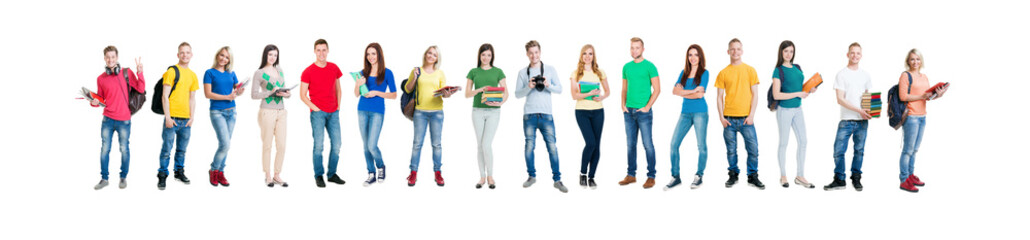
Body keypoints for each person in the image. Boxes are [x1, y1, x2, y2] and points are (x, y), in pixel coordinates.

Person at [515, 40, 567, 193]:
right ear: (527, 54)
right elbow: (517, 94)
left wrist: (548, 84)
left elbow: (560, 89)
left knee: (552, 148)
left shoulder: (550, 70)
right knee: (529, 147)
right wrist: (528, 87)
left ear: (540, 52)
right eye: (531, 53)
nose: (534, 55)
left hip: (547, 115)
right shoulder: (522, 73)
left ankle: (557, 180)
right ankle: (531, 177)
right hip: (529, 115)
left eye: (536, 52)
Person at [91, 45, 146, 190]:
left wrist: (140, 73)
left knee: (124, 149)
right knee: (104, 149)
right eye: (108, 57)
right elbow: (101, 99)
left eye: (113, 57)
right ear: (104, 58)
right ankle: (104, 178)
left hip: (124, 120)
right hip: (107, 120)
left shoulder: (126, 73)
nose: (110, 60)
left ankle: (123, 177)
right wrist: (94, 103)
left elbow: (140, 89)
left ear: (117, 58)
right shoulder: (101, 79)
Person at [715, 38, 765, 190]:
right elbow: (719, 96)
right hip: (729, 119)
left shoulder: (750, 70)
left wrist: (751, 116)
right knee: (731, 150)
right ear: (728, 51)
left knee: (753, 149)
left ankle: (752, 176)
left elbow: (755, 94)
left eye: (738, 49)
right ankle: (733, 174)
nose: (735, 51)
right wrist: (721, 118)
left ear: (742, 51)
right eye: (732, 49)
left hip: (746, 119)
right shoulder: (723, 73)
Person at [897, 48, 947, 193]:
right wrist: (922, 96)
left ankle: (911, 175)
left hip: (922, 116)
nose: (915, 62)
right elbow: (903, 97)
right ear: (908, 61)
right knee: (907, 150)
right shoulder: (905, 76)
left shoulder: (924, 77)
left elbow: (927, 97)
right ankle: (904, 179)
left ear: (921, 61)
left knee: (915, 149)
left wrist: (938, 95)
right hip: (911, 117)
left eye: (918, 59)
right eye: (912, 59)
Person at [823, 42, 871, 191]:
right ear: (847, 55)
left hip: (862, 121)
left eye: (858, 53)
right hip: (846, 120)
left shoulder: (865, 75)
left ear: (861, 56)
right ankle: (839, 179)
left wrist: (871, 111)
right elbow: (840, 99)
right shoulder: (841, 74)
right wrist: (859, 110)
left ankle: (856, 178)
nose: (855, 55)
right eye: (852, 53)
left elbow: (867, 97)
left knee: (859, 151)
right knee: (838, 151)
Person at [404, 45, 453, 187]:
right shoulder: (416, 71)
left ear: (437, 58)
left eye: (434, 55)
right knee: (417, 144)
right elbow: (408, 89)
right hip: (420, 112)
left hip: (437, 112)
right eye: (430, 53)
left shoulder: (440, 73)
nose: (431, 56)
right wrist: (414, 77)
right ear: (426, 54)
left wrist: (447, 94)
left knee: (436, 144)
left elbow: (444, 93)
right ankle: (413, 173)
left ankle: (437, 173)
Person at [770, 40, 816, 189]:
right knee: (784, 143)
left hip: (798, 110)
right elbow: (777, 95)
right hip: (785, 111)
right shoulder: (778, 70)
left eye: (791, 51)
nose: (789, 54)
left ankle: (800, 175)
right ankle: (783, 175)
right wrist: (798, 93)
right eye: (786, 51)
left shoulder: (797, 67)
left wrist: (808, 90)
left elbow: (798, 87)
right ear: (781, 52)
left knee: (803, 141)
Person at [300, 39, 345, 188]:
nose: (321, 53)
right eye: (318, 50)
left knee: (337, 144)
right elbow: (302, 95)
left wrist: (338, 106)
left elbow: (339, 89)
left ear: (328, 51)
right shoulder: (308, 71)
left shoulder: (334, 68)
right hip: (318, 113)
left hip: (334, 112)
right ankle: (318, 175)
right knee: (318, 145)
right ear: (314, 51)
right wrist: (315, 108)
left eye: (324, 50)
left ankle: (331, 174)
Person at [618, 37, 661, 189]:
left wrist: (648, 106)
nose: (634, 50)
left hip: (643, 112)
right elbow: (624, 88)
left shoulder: (650, 66)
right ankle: (631, 175)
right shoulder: (626, 67)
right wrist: (622, 105)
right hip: (628, 112)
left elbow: (657, 89)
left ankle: (651, 176)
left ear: (643, 49)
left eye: (637, 47)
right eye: (632, 47)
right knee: (630, 145)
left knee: (647, 144)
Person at [666, 44, 709, 190]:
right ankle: (675, 176)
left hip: (700, 112)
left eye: (696, 54)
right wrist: (692, 91)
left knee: (701, 146)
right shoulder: (683, 73)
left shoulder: (704, 73)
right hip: (685, 113)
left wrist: (683, 91)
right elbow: (674, 91)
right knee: (673, 144)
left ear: (700, 56)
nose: (693, 57)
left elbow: (700, 94)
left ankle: (699, 176)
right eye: (690, 55)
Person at [157, 42, 200, 190]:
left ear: (191, 55)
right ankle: (162, 175)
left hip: (186, 120)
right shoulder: (172, 72)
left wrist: (192, 117)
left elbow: (192, 98)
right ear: (178, 55)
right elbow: (164, 96)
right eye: (182, 52)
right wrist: (168, 117)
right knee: (166, 150)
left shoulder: (193, 75)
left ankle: (179, 172)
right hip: (172, 119)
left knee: (182, 150)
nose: (185, 55)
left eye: (188, 52)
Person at [465, 43, 507, 189]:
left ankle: (490, 175)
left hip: (493, 112)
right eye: (483, 55)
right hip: (477, 111)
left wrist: (499, 103)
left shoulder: (498, 72)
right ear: (479, 56)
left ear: (492, 56)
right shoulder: (473, 71)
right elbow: (467, 94)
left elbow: (505, 92)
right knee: (480, 145)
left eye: (489, 55)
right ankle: (482, 177)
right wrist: (479, 90)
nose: (486, 57)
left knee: (486, 144)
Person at [355, 43, 396, 186]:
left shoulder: (387, 72)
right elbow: (356, 94)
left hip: (377, 112)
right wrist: (358, 84)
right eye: (368, 54)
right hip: (362, 110)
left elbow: (394, 95)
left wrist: (376, 93)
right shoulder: (362, 72)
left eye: (373, 53)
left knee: (372, 145)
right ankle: (371, 173)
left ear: (379, 54)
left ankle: (381, 166)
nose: (370, 57)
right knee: (365, 146)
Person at [203, 46, 244, 187]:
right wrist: (227, 96)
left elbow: (236, 91)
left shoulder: (231, 73)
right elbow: (208, 94)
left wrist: (240, 91)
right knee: (225, 144)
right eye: (221, 55)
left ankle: (220, 172)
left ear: (229, 60)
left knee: (226, 145)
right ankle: (213, 169)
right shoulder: (209, 73)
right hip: (217, 112)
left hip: (232, 112)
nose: (223, 59)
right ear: (217, 55)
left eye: (227, 57)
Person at [569, 44, 610, 189]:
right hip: (582, 112)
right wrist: (589, 94)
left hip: (598, 111)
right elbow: (574, 95)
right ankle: (582, 173)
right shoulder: (576, 74)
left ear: (594, 56)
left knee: (597, 145)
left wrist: (602, 97)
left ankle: (592, 177)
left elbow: (607, 91)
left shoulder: (600, 72)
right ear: (581, 56)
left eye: (590, 54)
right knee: (590, 143)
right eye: (585, 53)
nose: (587, 56)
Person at [251, 44, 290, 187]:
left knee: (282, 145)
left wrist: (287, 94)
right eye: (270, 54)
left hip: (282, 111)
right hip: (267, 111)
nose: (273, 57)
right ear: (265, 55)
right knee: (267, 144)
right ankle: (267, 175)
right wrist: (270, 92)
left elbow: (283, 89)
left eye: (275, 55)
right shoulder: (259, 73)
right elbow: (254, 95)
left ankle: (277, 175)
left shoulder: (280, 71)